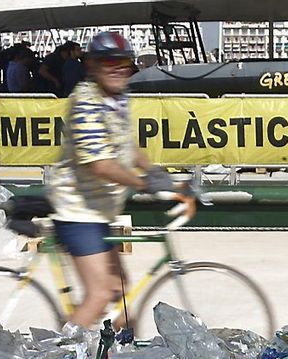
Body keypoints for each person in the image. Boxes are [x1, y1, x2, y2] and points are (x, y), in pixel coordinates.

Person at [46, 31, 195, 331]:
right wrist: (146, 184)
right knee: (100, 295)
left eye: (123, 62)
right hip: (77, 211)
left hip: (100, 211)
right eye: (107, 61)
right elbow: (101, 164)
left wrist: (160, 175)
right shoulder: (85, 103)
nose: (116, 68)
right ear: (92, 66)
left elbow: (127, 148)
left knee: (123, 305)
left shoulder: (118, 98)